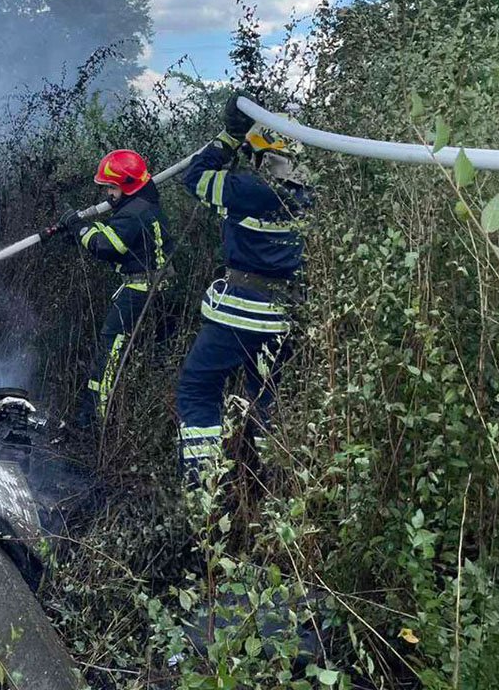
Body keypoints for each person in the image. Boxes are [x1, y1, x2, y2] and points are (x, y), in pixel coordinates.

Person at [176, 93, 313, 481]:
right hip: (284, 316)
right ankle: (271, 485)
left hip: (240, 313)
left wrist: (229, 137)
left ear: (264, 157)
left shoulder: (248, 191)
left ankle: (202, 480)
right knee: (267, 399)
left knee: (199, 387)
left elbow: (196, 177)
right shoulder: (308, 196)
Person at [53, 149, 174, 428]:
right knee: (148, 355)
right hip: (157, 290)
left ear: (128, 186)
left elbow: (108, 246)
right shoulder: (144, 202)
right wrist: (80, 233)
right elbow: (117, 236)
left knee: (109, 354)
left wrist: (79, 229)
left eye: (111, 187)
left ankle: (94, 421)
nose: (108, 193)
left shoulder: (133, 213)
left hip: (139, 292)